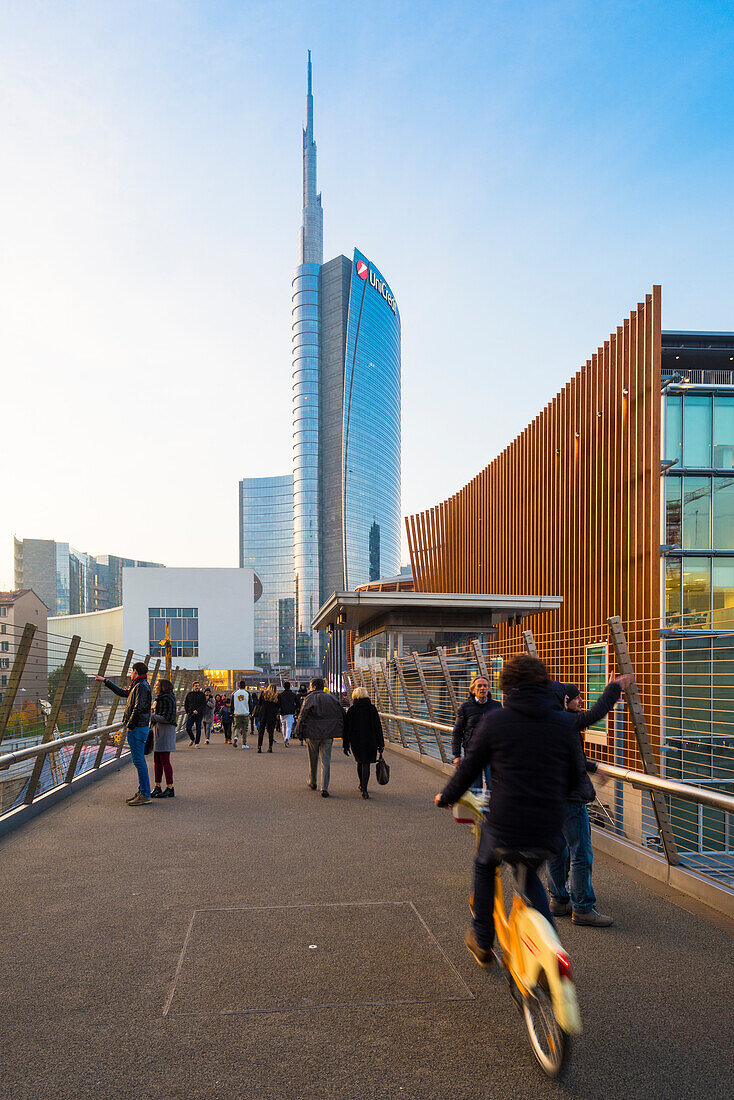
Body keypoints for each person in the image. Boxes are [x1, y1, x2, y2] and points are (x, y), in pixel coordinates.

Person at [434, 654, 587, 967]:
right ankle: (553, 949)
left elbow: (468, 770)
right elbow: (574, 776)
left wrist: (446, 796)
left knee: (484, 864)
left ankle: (483, 939)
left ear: (506, 686)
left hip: (507, 823)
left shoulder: (496, 720)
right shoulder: (562, 723)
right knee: (530, 872)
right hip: (548, 826)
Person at [546, 674, 632, 927]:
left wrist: (593, 767)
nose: (580, 701)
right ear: (564, 700)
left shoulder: (542, 722)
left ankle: (559, 900)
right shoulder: (565, 721)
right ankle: (582, 907)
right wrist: (614, 688)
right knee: (580, 851)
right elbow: (595, 714)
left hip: (549, 797)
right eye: (576, 698)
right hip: (570, 797)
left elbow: (569, 756)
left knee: (556, 850)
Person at [95, 662, 152, 806]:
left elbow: (139, 708)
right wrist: (106, 681)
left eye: (132, 671)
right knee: (138, 760)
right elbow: (123, 693)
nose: (130, 673)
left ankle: (145, 793)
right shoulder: (138, 685)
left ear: (136, 671)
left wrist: (130, 725)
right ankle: (142, 791)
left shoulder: (141, 686)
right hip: (137, 727)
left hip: (137, 728)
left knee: (139, 761)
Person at [292, 676, 345, 797]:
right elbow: (341, 714)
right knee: (326, 761)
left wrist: (298, 731)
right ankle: (324, 788)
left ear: (314, 687)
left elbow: (302, 715)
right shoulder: (332, 698)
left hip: (312, 733)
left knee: (313, 758)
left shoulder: (309, 698)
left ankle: (312, 782)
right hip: (328, 734)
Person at [451, 675, 499, 796]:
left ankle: (490, 813)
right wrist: (457, 755)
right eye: (479, 686)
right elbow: (457, 732)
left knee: (492, 785)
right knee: (475, 787)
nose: (482, 688)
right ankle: (475, 813)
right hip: (473, 752)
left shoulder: (496, 706)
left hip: (491, 752)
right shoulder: (465, 707)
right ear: (473, 690)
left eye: (485, 686)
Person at [343, 686, 385, 798]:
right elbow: (378, 727)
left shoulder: (351, 710)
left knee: (360, 761)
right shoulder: (372, 709)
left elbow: (347, 728)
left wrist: (346, 744)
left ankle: (362, 784)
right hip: (370, 740)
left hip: (356, 741)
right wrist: (381, 743)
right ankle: (365, 790)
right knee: (366, 763)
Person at [149, 677, 177, 798]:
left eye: (156, 685)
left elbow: (167, 718)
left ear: (162, 687)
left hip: (165, 732)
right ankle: (157, 786)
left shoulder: (167, 699)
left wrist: (152, 716)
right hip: (159, 731)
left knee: (165, 760)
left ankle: (170, 787)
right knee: (157, 760)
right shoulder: (161, 698)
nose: (155, 687)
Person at [256, 684, 280, 753]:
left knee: (261, 731)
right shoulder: (277, 695)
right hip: (272, 714)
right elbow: (278, 706)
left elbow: (259, 703)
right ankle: (270, 747)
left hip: (263, 713)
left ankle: (259, 747)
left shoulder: (263, 693)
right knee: (271, 732)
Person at [184, 679, 206, 746]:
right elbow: (186, 704)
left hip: (199, 714)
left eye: (198, 686)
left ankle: (197, 743)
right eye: (196, 686)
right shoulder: (189, 694)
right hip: (191, 714)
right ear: (193, 687)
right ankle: (192, 738)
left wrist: (198, 711)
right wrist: (188, 712)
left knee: (198, 729)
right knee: (188, 728)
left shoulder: (202, 695)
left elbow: (203, 705)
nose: (197, 687)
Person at [278, 680, 298, 747]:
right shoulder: (293, 695)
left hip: (282, 713)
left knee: (283, 726)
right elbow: (297, 704)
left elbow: (278, 704)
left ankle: (284, 739)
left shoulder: (280, 695)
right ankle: (287, 739)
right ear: (290, 687)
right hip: (290, 712)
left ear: (283, 687)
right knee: (289, 727)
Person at [232, 680, 250, 748]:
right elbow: (250, 703)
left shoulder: (234, 693)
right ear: (245, 686)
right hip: (245, 713)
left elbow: (232, 704)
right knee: (245, 729)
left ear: (238, 686)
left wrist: (232, 712)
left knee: (237, 727)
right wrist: (250, 712)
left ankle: (236, 737)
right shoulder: (247, 693)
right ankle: (244, 744)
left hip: (237, 713)